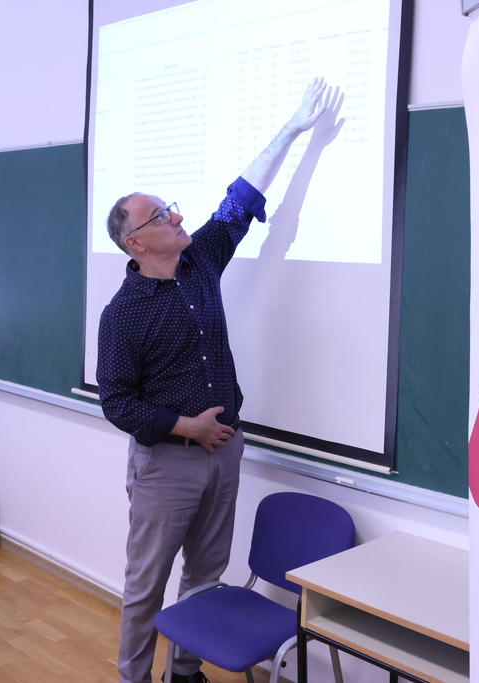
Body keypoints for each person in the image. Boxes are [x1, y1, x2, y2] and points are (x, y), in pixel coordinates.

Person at [97, 77, 333, 683]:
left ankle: (184, 672)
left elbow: (241, 197)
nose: (177, 216)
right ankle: (133, 678)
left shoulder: (200, 260)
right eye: (161, 215)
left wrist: (292, 129)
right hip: (166, 465)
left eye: (171, 207)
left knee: (205, 574)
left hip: (224, 452)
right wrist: (186, 426)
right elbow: (117, 402)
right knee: (146, 585)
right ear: (136, 241)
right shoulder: (123, 314)